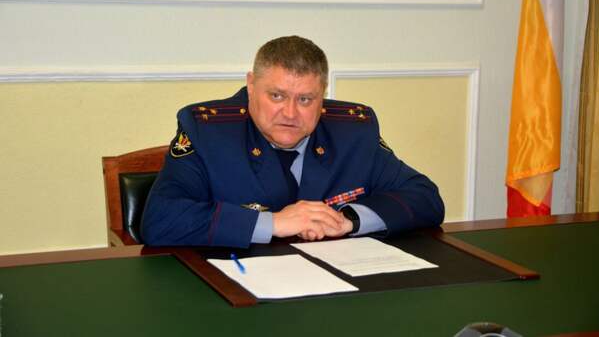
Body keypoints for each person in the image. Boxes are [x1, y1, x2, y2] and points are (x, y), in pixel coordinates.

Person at [141, 36, 444, 248]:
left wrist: (348, 220)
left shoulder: (353, 131)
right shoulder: (208, 131)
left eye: (305, 99)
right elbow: (160, 219)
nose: (290, 113)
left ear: (323, 95)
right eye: (277, 96)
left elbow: (425, 197)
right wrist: (274, 223)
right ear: (251, 85)